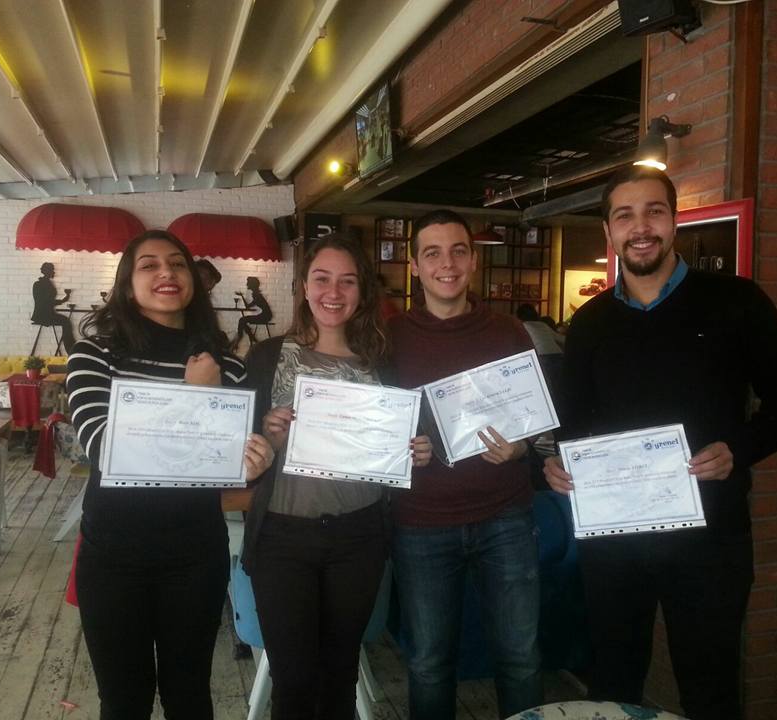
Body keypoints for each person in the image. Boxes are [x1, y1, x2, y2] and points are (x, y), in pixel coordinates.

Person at [544, 165, 777, 720]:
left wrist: (738, 449)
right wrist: (553, 466)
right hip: (615, 539)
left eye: (654, 212)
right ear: (609, 231)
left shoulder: (737, 302)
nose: (640, 227)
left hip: (710, 540)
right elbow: (573, 423)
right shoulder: (590, 322)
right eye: (625, 216)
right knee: (613, 683)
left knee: (710, 688)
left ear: (674, 222)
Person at [66, 230, 275, 720]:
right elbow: (106, 449)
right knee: (124, 701)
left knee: (190, 696)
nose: (167, 273)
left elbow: (230, 461)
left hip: (195, 555)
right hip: (113, 556)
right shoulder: (95, 354)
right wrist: (196, 396)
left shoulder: (228, 366)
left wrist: (254, 460)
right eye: (150, 265)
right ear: (127, 283)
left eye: (178, 263)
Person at [239, 233, 432, 720]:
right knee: (292, 682)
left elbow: (401, 441)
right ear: (303, 286)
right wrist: (264, 437)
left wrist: (416, 450)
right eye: (322, 279)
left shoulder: (382, 363)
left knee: (340, 674)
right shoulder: (266, 357)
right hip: (282, 537)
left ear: (362, 292)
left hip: (358, 537)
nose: (333, 292)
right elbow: (238, 451)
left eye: (347, 281)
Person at [387, 209, 543, 720]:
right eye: (432, 253)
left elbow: (534, 421)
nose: (447, 264)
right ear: (415, 265)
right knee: (429, 664)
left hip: (506, 517)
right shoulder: (389, 337)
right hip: (421, 524)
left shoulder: (510, 332)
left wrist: (520, 447)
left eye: (458, 251)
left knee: (520, 658)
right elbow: (378, 426)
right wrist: (402, 447)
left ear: (474, 260)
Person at [32, 261, 77, 352]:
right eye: (52, 270)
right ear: (47, 271)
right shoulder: (38, 284)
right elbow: (43, 302)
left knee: (66, 321)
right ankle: (70, 348)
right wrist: (62, 300)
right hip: (42, 315)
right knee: (66, 321)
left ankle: (71, 346)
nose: (54, 272)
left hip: (48, 314)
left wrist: (63, 299)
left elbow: (48, 301)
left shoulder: (48, 283)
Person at [233, 275, 274, 348]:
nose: (246, 284)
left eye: (248, 283)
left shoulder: (256, 295)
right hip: (265, 315)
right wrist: (242, 296)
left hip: (265, 316)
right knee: (243, 320)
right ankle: (250, 337)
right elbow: (248, 306)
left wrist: (242, 296)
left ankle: (242, 337)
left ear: (252, 284)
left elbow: (247, 306)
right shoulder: (256, 294)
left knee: (242, 320)